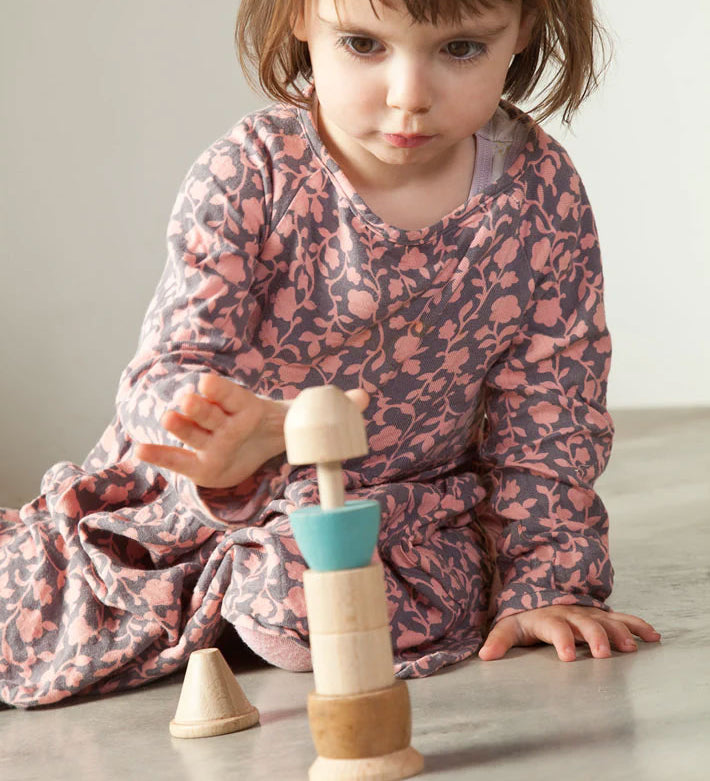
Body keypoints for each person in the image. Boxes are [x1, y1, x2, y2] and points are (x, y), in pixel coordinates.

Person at [0, 0, 660, 708]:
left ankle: (247, 600)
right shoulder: (252, 172)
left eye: (462, 48)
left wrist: (548, 583)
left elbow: (553, 411)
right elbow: (166, 370)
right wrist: (220, 437)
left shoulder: (539, 194)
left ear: (523, 28)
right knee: (28, 598)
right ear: (300, 19)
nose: (409, 95)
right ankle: (210, 590)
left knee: (316, 589)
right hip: (193, 507)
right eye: (363, 44)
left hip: (394, 513)